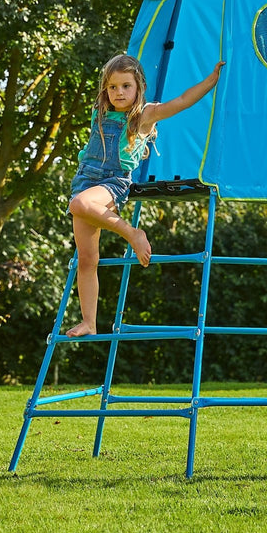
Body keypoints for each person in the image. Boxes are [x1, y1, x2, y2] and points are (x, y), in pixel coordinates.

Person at [65, 53, 224, 337]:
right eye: (112, 87)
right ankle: (89, 321)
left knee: (78, 204)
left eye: (126, 86)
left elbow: (182, 101)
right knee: (88, 259)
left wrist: (211, 80)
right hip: (85, 180)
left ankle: (133, 233)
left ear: (138, 86)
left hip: (112, 183)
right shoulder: (100, 112)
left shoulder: (144, 115)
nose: (119, 92)